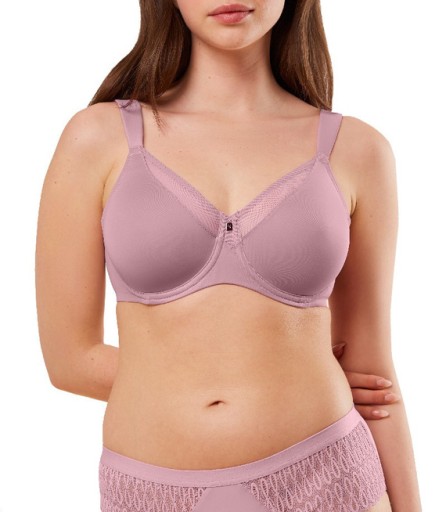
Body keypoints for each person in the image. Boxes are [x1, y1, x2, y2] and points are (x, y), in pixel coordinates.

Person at [35, 1, 421, 511]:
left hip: (328, 475)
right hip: (154, 490)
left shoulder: (358, 150)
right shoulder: (98, 138)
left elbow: (375, 376)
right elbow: (70, 360)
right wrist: (261, 378)